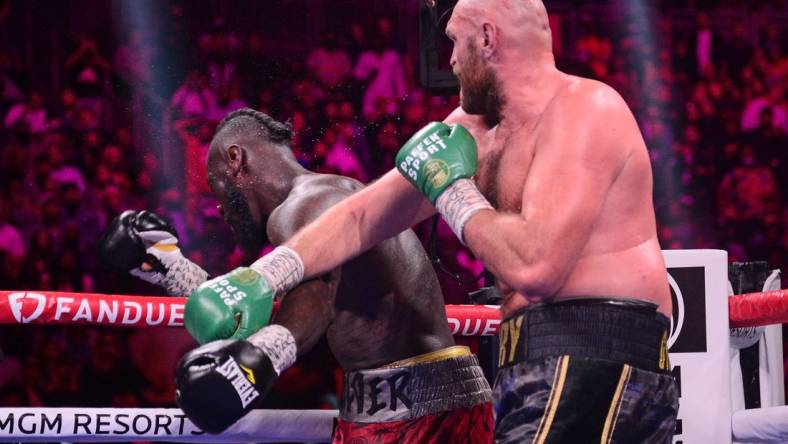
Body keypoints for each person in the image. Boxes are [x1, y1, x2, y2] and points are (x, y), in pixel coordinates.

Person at [207, 1, 680, 442]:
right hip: (523, 358)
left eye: (455, 40)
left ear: (488, 38)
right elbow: (361, 215)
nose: (449, 59)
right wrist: (268, 275)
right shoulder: (475, 131)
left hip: (599, 352)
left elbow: (536, 268)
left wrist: (451, 190)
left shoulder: (584, 109)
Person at [97, 108, 493, 442]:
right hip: (406, 404)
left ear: (236, 160)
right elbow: (276, 312)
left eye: (217, 189)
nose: (221, 209)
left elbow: (317, 295)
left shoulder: (305, 203)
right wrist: (172, 270)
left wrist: (260, 360)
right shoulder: (325, 204)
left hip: (420, 413)